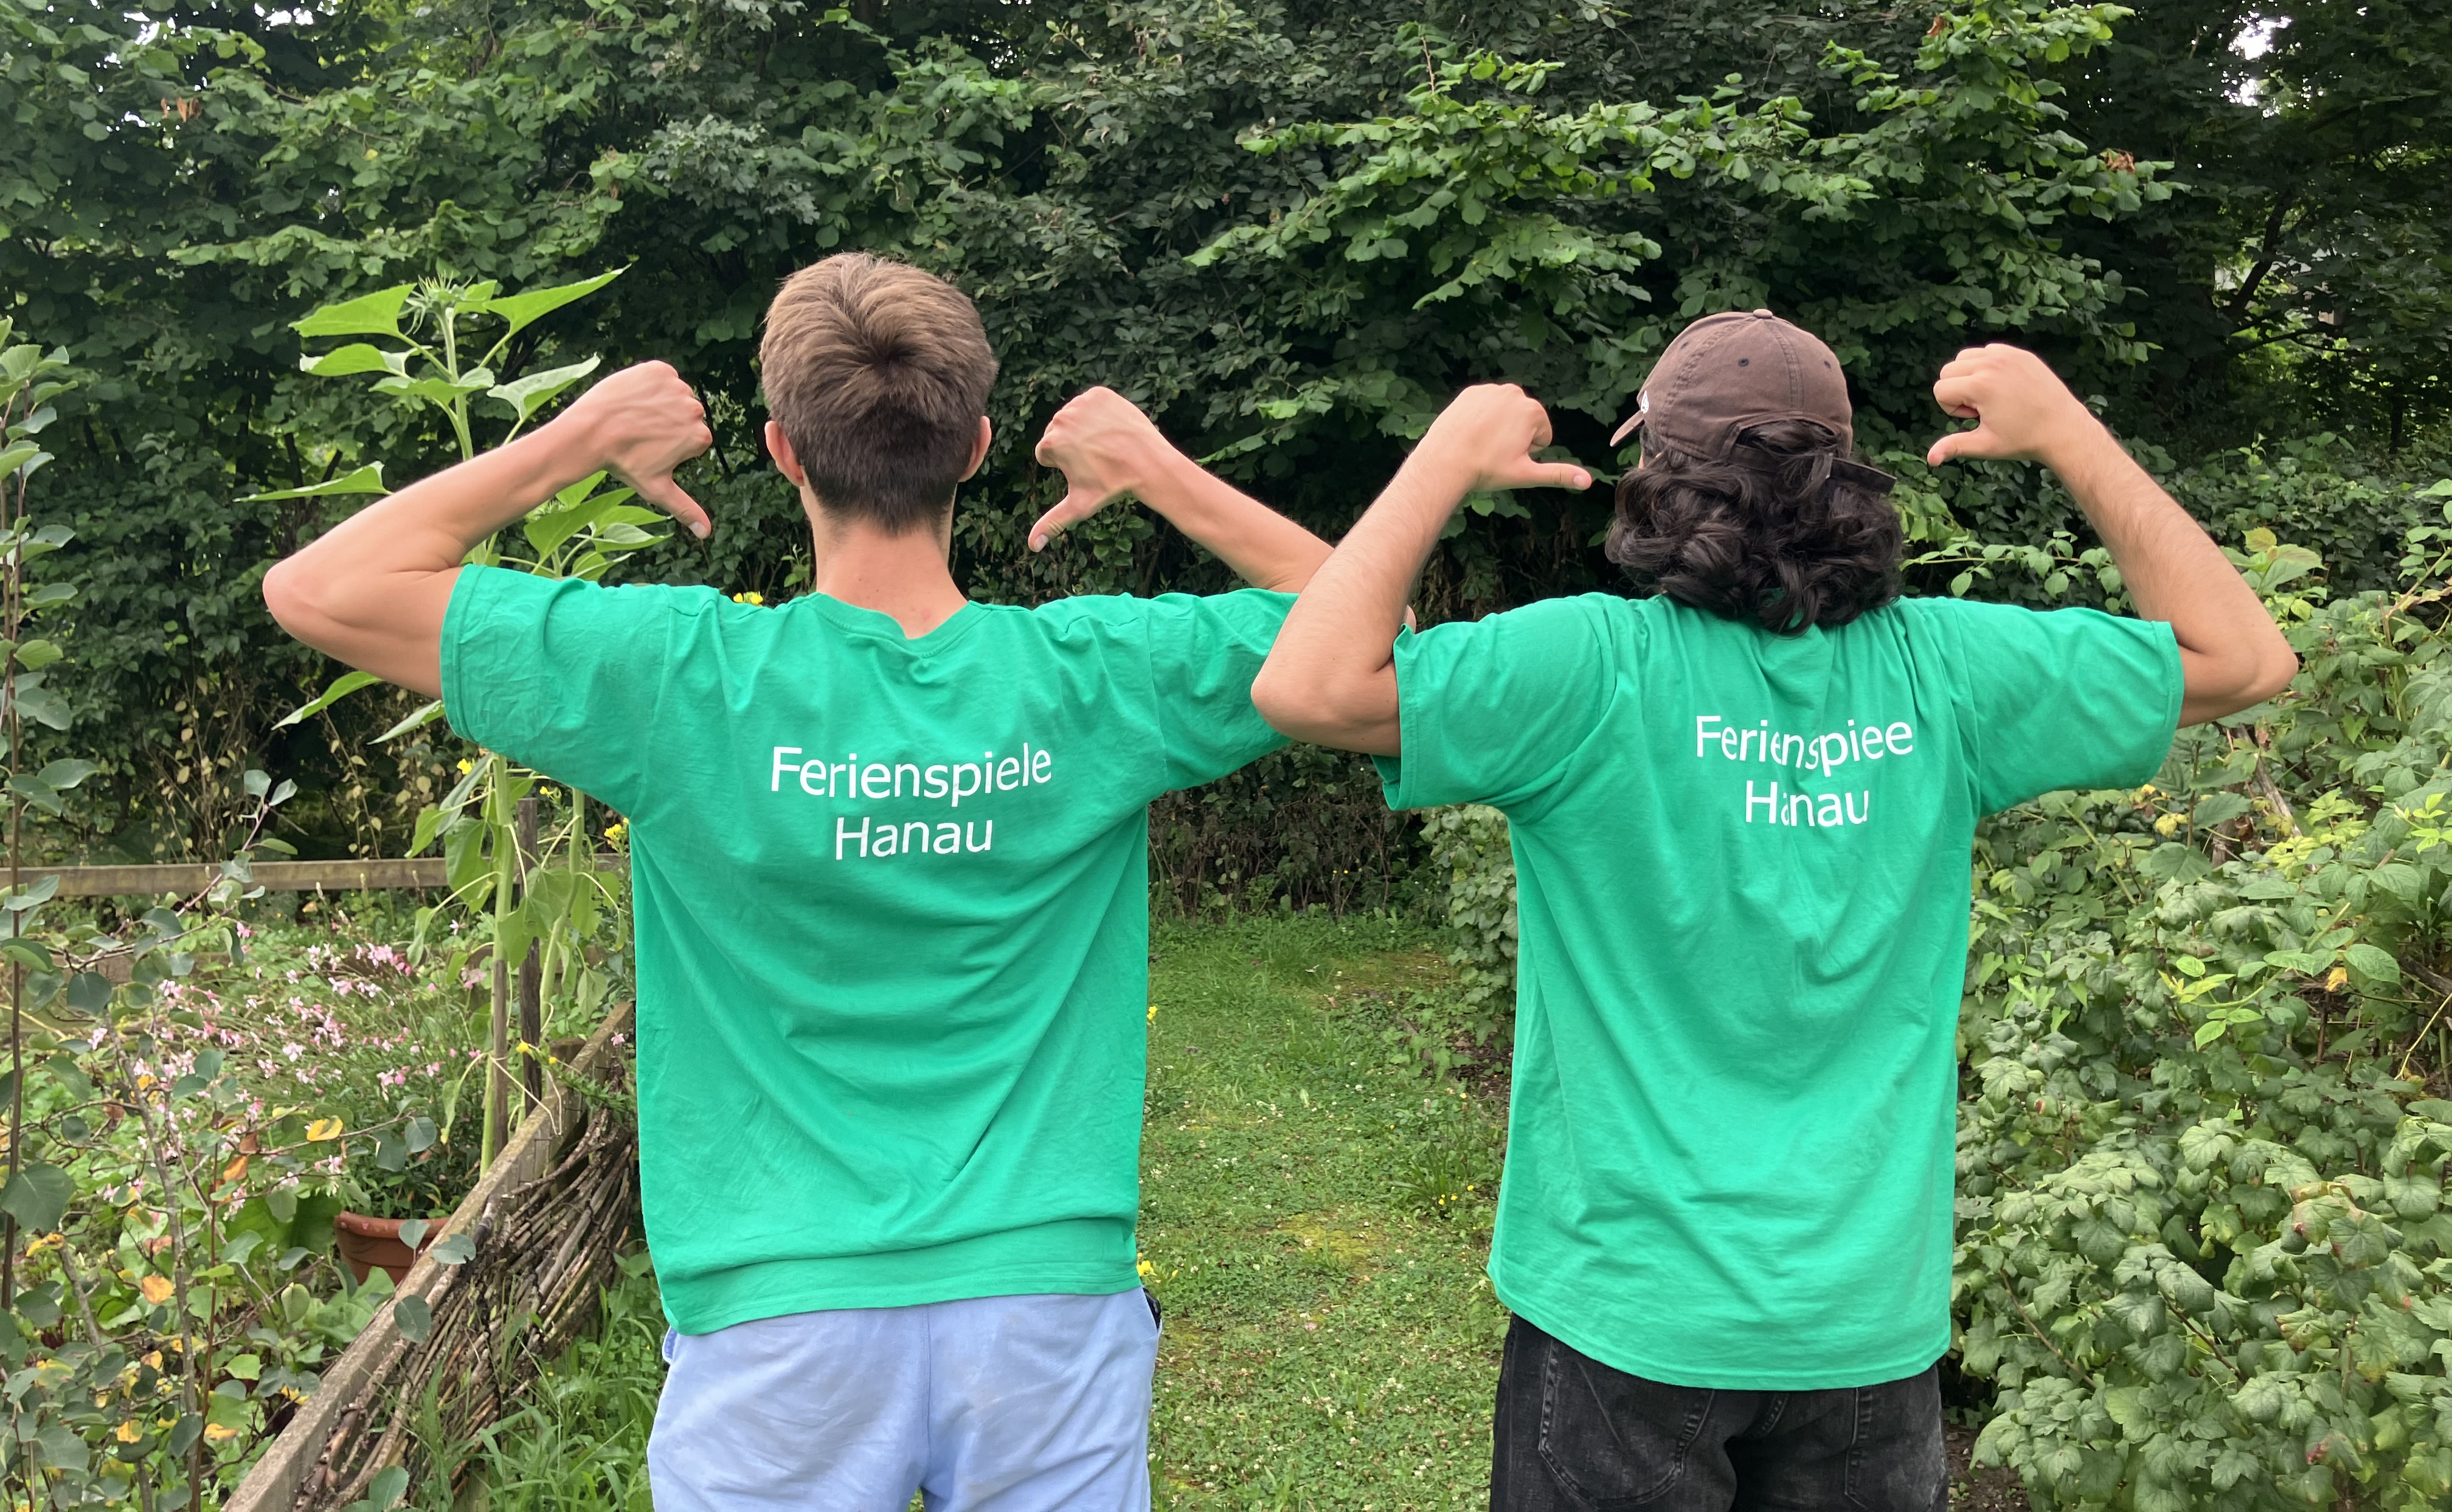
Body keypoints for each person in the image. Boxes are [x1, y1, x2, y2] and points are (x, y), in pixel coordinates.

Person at [263, 252, 1331, 1512]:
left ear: (782, 452)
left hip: (777, 1331)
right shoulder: (1103, 676)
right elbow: (1372, 629)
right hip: (1044, 1313)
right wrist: (1158, 471)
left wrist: (579, 438)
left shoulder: (678, 678)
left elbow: (317, 588)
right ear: (977, 448)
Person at [1250, 312, 2297, 1511]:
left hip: (1627, 1314)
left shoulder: (1589, 668)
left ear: (1656, 472)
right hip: (1864, 1331)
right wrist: (2067, 431)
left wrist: (1445, 455)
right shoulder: (1950, 671)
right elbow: (2246, 659)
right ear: (1845, 475)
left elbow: (1307, 686)